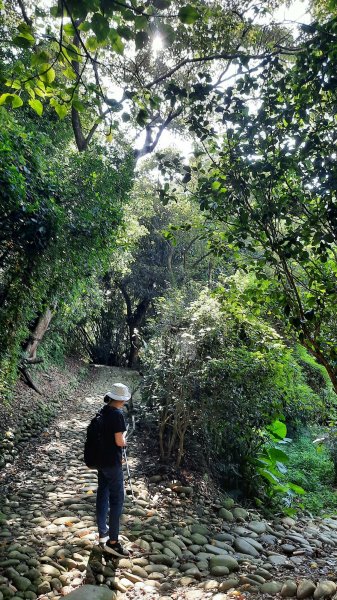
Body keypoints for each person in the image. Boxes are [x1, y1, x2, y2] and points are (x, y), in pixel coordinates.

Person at [96, 382, 131, 557]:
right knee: (117, 499)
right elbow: (119, 441)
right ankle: (113, 542)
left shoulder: (102, 411)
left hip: (100, 461)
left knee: (102, 494)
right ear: (121, 400)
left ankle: (103, 533)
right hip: (111, 463)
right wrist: (124, 438)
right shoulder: (117, 414)